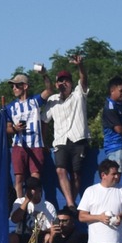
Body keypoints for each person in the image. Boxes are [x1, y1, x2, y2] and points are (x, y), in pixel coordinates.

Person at [45, 55, 92, 207]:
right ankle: (70, 204)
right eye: (60, 81)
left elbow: (84, 79)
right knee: (60, 170)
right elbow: (44, 121)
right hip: (60, 141)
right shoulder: (52, 100)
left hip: (78, 139)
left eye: (66, 80)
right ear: (56, 84)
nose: (63, 83)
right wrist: (44, 143)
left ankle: (70, 204)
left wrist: (80, 66)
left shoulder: (78, 94)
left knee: (76, 174)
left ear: (71, 83)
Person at [5, 69, 50, 187]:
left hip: (36, 144)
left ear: (25, 86)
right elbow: (7, 129)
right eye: (12, 86)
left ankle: (34, 198)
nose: (14, 88)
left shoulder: (35, 101)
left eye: (16, 85)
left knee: (35, 177)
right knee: (18, 178)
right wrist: (15, 129)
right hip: (19, 145)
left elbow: (49, 90)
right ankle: (19, 199)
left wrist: (44, 74)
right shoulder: (10, 107)